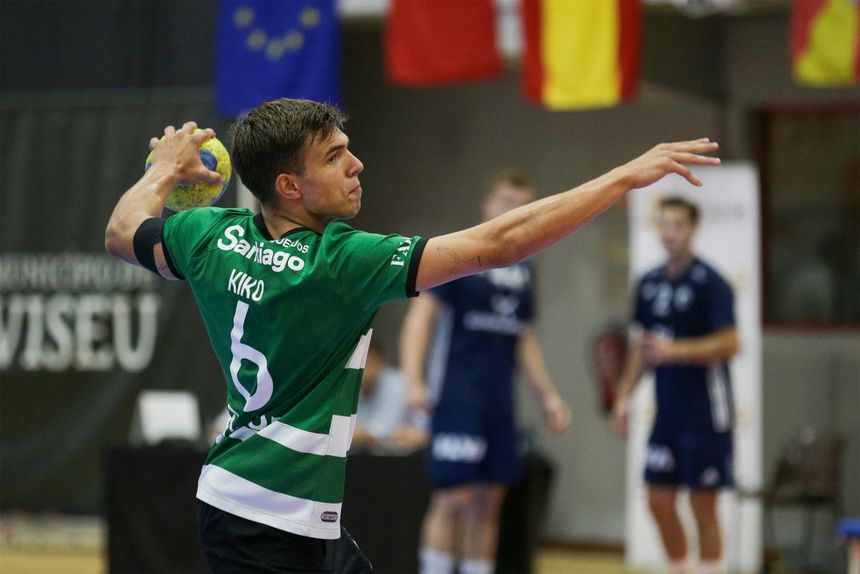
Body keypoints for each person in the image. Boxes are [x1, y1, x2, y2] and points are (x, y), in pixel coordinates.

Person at [104, 97, 719, 572]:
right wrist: (622, 178)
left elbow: (122, 231)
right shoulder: (338, 262)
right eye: (334, 157)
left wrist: (163, 170)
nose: (356, 164)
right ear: (289, 186)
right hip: (271, 520)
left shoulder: (210, 234)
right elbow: (498, 243)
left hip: (258, 506)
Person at [399, 169, 570, 574]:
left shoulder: (524, 268)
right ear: (488, 204)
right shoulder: (461, 251)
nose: (515, 211)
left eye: (523, 205)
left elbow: (522, 338)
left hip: (499, 402)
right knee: (452, 498)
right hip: (458, 396)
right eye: (507, 202)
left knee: (488, 503)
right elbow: (421, 318)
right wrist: (413, 381)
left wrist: (548, 396)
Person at [612, 197, 739, 574]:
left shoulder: (711, 282)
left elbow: (730, 343)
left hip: (706, 411)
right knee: (658, 499)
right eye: (664, 225)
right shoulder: (649, 282)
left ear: (693, 229)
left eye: (678, 226)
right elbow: (642, 345)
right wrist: (623, 397)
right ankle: (680, 568)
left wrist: (676, 350)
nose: (670, 234)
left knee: (703, 504)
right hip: (667, 411)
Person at [352, 344, 427, 452]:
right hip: (373, 453)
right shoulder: (352, 385)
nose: (364, 369)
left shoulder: (397, 383)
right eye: (358, 363)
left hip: (408, 453)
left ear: (380, 362)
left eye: (368, 363)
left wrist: (357, 434)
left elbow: (386, 430)